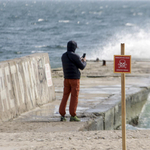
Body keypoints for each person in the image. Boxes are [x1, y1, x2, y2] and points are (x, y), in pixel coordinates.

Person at [59, 40, 86, 122]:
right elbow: (82, 67)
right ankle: (73, 115)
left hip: (66, 79)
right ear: (74, 48)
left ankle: (62, 115)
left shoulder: (63, 56)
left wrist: (79, 59)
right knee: (74, 97)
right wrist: (84, 61)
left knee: (65, 96)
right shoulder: (75, 56)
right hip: (75, 79)